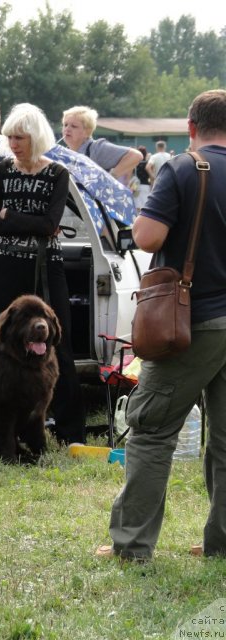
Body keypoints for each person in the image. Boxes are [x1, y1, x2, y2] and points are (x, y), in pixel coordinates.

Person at [97, 89, 226, 561]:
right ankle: (222, 546)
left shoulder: (185, 167)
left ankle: (131, 545)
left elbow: (148, 237)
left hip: (194, 321)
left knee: (151, 430)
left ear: (191, 126)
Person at [0, 103, 86, 445]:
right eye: (10, 136)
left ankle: (72, 433)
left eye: (21, 137)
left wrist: (10, 215)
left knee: (60, 340)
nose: (14, 143)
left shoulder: (57, 174)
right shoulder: (1, 171)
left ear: (35, 137)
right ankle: (1, 429)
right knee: (3, 344)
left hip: (46, 268)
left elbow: (50, 224)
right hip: (7, 267)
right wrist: (28, 224)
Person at [61, 106, 142, 185]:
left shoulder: (96, 148)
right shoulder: (62, 153)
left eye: (74, 126)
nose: (67, 129)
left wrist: (110, 178)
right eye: (65, 125)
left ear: (87, 132)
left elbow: (136, 156)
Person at [132, 145, 151, 212]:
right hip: (146, 185)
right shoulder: (148, 163)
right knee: (146, 205)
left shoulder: (135, 163)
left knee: (137, 206)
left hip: (136, 185)